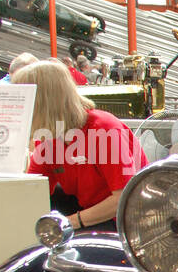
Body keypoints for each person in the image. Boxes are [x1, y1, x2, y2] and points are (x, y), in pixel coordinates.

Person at [11, 59, 146, 231]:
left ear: (43, 104)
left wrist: (71, 222)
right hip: (90, 215)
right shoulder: (49, 136)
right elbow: (32, 191)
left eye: (25, 101)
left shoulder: (104, 130)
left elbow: (124, 197)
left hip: (126, 222)